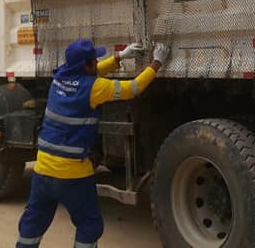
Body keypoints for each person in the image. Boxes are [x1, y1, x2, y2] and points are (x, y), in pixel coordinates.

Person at [15, 38, 170, 248]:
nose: (97, 63)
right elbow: (133, 88)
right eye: (94, 60)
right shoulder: (95, 88)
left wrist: (119, 57)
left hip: (42, 172)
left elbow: (91, 72)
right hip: (73, 176)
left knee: (34, 222)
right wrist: (157, 63)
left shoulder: (59, 77)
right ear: (86, 65)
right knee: (89, 225)